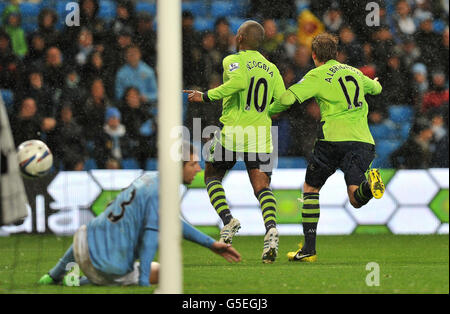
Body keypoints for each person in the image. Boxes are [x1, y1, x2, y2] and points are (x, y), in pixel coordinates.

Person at [38, 143, 241, 287]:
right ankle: (82, 282)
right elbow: (150, 238)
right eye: (193, 164)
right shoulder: (162, 191)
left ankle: (54, 276)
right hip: (108, 267)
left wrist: (211, 244)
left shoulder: (149, 178)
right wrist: (143, 281)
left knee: (94, 226)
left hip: (82, 244)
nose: (198, 170)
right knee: (165, 271)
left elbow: (171, 221)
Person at [268, 32, 385, 262]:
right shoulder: (354, 72)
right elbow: (376, 89)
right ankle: (369, 187)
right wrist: (376, 84)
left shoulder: (317, 75)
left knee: (311, 189)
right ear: (336, 54)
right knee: (355, 198)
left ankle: (309, 249)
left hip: (332, 141)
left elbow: (288, 99)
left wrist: (268, 112)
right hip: (362, 141)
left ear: (314, 55)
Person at [184, 20, 286, 263]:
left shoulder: (232, 60)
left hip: (234, 132)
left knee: (211, 176)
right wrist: (265, 113)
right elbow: (283, 100)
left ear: (240, 38)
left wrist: (205, 96)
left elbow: (238, 83)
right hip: (262, 134)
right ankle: (271, 228)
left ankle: (228, 220)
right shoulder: (272, 68)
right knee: (262, 186)